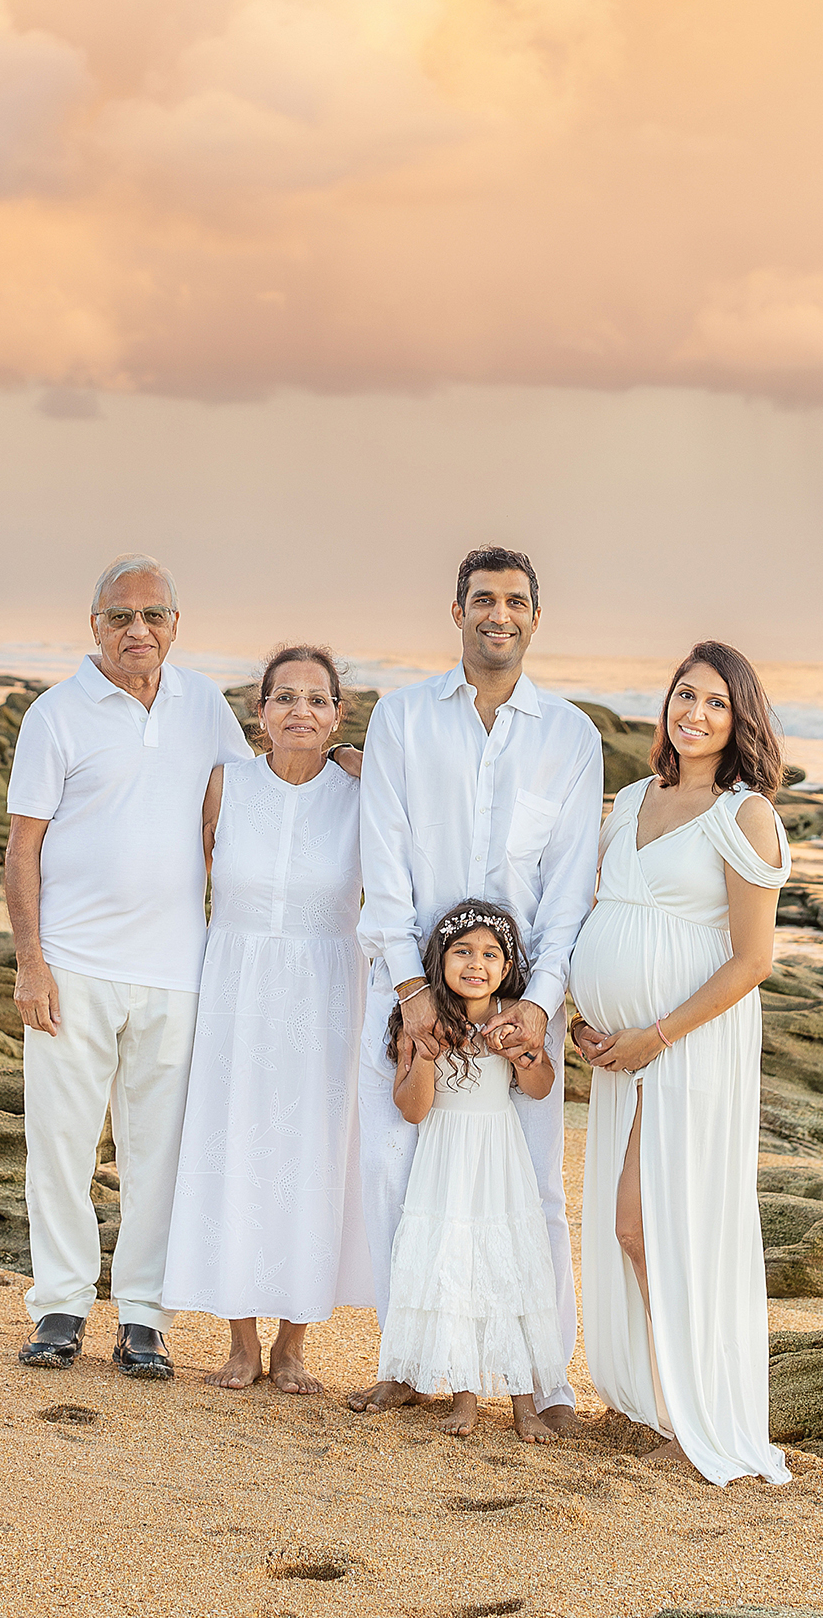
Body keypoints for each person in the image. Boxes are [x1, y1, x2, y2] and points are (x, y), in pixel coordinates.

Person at [350, 546, 602, 1431]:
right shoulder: (403, 719)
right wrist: (412, 989)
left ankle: (550, 1379)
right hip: (413, 991)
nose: (500, 613)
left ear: (537, 619)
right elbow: (383, 861)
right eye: (484, 599)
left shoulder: (570, 737)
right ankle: (410, 1363)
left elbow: (570, 891)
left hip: (517, 1011)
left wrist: (541, 1005)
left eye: (517, 601)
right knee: (396, 1174)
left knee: (532, 1192)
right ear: (455, 611)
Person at [4, 553, 250, 1380]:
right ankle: (61, 1308)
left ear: (176, 624)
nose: (137, 630)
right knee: (62, 1150)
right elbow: (22, 849)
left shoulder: (205, 706)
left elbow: (233, 826)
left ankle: (144, 1315)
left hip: (177, 973)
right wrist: (30, 965)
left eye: (153, 616)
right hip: (73, 967)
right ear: (95, 625)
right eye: (121, 616)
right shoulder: (56, 714)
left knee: (159, 1157)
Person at [570, 640, 792, 1486]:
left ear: (740, 721)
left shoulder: (745, 816)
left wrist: (653, 1036)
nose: (694, 714)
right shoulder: (631, 799)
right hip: (624, 1052)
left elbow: (751, 961)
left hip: (692, 1047)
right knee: (637, 1225)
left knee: (658, 1224)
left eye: (715, 703)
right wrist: (590, 1021)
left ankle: (695, 1405)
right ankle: (668, 1399)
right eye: (684, 696)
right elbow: (600, 912)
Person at [163, 643, 371, 1392]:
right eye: (285, 698)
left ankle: (293, 1344)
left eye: (317, 700)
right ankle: (240, 1341)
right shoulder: (226, 785)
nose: (300, 713)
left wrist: (363, 762)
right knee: (235, 1148)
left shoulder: (362, 795)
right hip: (236, 986)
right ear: (260, 713)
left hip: (327, 988)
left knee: (313, 1155)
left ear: (338, 715)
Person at [374, 901, 566, 1441]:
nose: (475, 964)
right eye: (462, 952)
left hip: (498, 1159)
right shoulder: (426, 1021)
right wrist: (429, 1057)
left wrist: (527, 1056)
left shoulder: (514, 1018)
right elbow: (411, 1108)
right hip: (444, 1161)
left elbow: (541, 1088)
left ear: (506, 969)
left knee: (509, 1268)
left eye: (489, 954)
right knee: (455, 1266)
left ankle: (524, 1404)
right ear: (441, 961)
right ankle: (464, 1396)